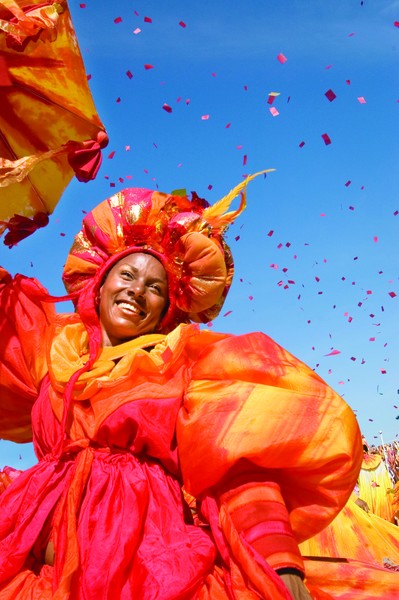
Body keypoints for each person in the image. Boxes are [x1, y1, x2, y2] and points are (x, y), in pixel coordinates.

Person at [0, 174, 395, 599]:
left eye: (156, 287)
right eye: (127, 274)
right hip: (32, 547)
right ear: (98, 284)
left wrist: (281, 568)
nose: (138, 290)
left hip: (148, 565)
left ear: (167, 308)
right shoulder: (50, 351)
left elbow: (238, 471)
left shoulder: (186, 362)